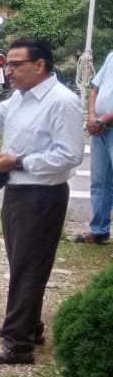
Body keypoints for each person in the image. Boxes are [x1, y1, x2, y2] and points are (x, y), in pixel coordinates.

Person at [0, 37, 84, 365]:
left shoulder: (62, 101)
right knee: (21, 263)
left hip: (42, 194)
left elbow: (70, 154)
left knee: (30, 267)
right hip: (17, 190)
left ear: (39, 65)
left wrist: (17, 162)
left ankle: (18, 345)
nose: (9, 70)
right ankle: (29, 325)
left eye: (16, 64)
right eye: (8, 64)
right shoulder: (19, 96)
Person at [68, 50, 113, 244]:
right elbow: (95, 89)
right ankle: (99, 230)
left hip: (104, 124)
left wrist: (103, 120)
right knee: (99, 181)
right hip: (100, 130)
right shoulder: (111, 56)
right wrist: (93, 117)